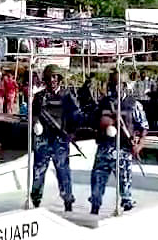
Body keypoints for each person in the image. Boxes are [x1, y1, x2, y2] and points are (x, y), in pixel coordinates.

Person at [89, 78, 149, 215]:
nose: (116, 87)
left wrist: (139, 144)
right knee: (97, 182)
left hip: (123, 150)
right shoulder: (103, 103)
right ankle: (94, 208)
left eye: (119, 84)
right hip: (104, 149)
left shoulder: (134, 104)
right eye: (113, 84)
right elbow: (93, 121)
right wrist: (102, 124)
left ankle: (127, 208)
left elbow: (144, 127)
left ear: (124, 85)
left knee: (125, 185)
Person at [30, 66, 82, 211]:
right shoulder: (40, 97)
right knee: (38, 172)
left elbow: (77, 115)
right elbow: (33, 114)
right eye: (48, 78)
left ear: (59, 78)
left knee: (63, 172)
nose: (51, 81)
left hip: (60, 140)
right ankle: (35, 201)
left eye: (54, 77)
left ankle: (68, 202)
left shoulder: (67, 96)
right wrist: (36, 123)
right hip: (43, 140)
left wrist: (72, 132)